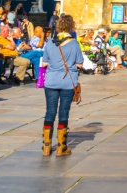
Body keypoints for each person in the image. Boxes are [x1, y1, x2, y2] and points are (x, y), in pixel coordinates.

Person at [42, 14, 84, 157]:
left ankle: (46, 147)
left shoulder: (49, 42)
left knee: (50, 112)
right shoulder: (74, 44)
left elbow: (44, 63)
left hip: (51, 81)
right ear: (71, 27)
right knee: (63, 112)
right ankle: (61, 147)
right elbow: (80, 63)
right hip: (68, 82)